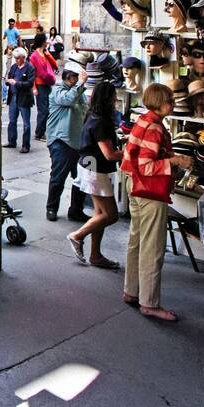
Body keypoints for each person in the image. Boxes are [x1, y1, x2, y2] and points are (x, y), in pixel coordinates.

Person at [120, 83, 191, 322]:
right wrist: (177, 160)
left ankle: (132, 290)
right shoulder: (155, 128)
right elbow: (147, 166)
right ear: (160, 102)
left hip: (134, 187)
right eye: (170, 100)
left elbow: (133, 159)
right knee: (152, 247)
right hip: (150, 192)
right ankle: (149, 303)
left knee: (136, 241)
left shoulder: (142, 121)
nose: (173, 104)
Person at [69, 82, 122, 269]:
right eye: (114, 95)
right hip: (96, 170)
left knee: (100, 213)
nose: (116, 99)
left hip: (88, 166)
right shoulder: (102, 122)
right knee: (111, 215)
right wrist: (133, 149)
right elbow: (110, 154)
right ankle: (78, 236)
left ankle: (96, 255)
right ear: (108, 98)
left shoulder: (92, 115)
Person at [45, 62, 89, 222]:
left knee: (81, 178)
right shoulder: (58, 91)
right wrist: (81, 84)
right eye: (76, 78)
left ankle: (76, 209)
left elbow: (84, 109)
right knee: (58, 177)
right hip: (61, 141)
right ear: (70, 78)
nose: (78, 81)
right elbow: (67, 100)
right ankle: (51, 208)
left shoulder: (79, 92)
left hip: (78, 142)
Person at [4, 46, 35, 152]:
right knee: (12, 120)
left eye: (18, 58)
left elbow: (30, 83)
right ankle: (12, 141)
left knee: (26, 123)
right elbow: (9, 77)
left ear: (23, 57)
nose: (16, 60)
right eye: (15, 58)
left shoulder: (30, 68)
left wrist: (16, 83)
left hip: (24, 98)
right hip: (13, 96)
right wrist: (8, 81)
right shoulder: (14, 67)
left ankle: (26, 145)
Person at [29, 39, 58, 141]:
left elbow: (55, 65)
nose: (47, 42)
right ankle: (39, 133)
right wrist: (34, 88)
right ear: (42, 42)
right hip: (39, 85)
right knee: (43, 110)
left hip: (47, 84)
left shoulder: (45, 54)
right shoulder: (34, 57)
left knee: (49, 109)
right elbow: (32, 73)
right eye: (45, 40)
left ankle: (43, 131)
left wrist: (48, 54)